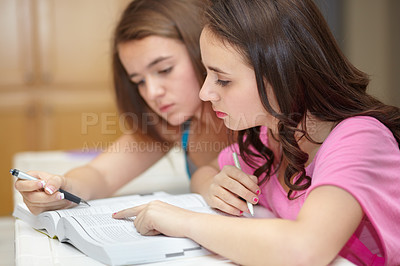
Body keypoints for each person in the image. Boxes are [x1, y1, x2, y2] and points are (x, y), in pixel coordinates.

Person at [112, 0, 400, 265]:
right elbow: (205, 171)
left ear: (280, 73)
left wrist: (182, 221)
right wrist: (214, 185)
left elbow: (307, 249)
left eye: (222, 80)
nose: (205, 92)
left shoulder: (359, 139)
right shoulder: (267, 138)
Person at [15, 0, 229, 215]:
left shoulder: (251, 118)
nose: (152, 93)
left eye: (164, 70)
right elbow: (101, 174)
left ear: (203, 53)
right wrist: (63, 188)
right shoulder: (174, 124)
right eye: (139, 82)